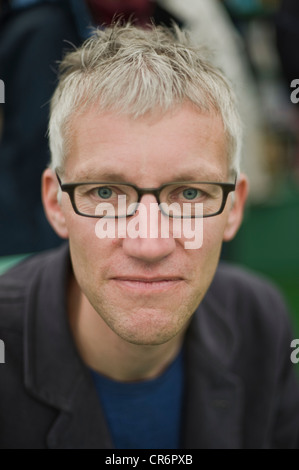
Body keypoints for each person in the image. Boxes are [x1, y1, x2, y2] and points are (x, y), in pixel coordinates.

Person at [0, 23, 298, 450]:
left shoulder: (259, 319)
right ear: (55, 203)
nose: (149, 244)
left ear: (234, 207)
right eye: (106, 193)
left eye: (190, 193)